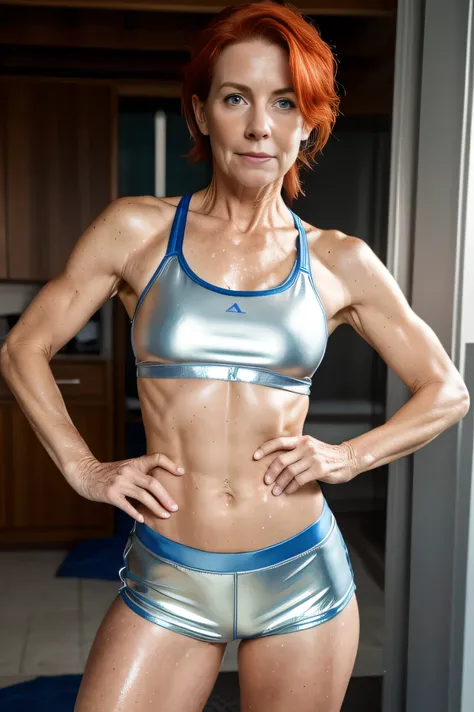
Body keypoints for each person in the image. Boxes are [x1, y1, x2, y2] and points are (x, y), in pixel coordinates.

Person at [1, 1, 470, 710]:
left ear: (307, 123)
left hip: (300, 572)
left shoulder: (341, 260)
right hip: (169, 571)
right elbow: (23, 347)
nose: (260, 125)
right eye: (235, 98)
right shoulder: (137, 230)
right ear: (199, 114)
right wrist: (84, 468)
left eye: (285, 102)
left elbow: (447, 390)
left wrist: (348, 457)